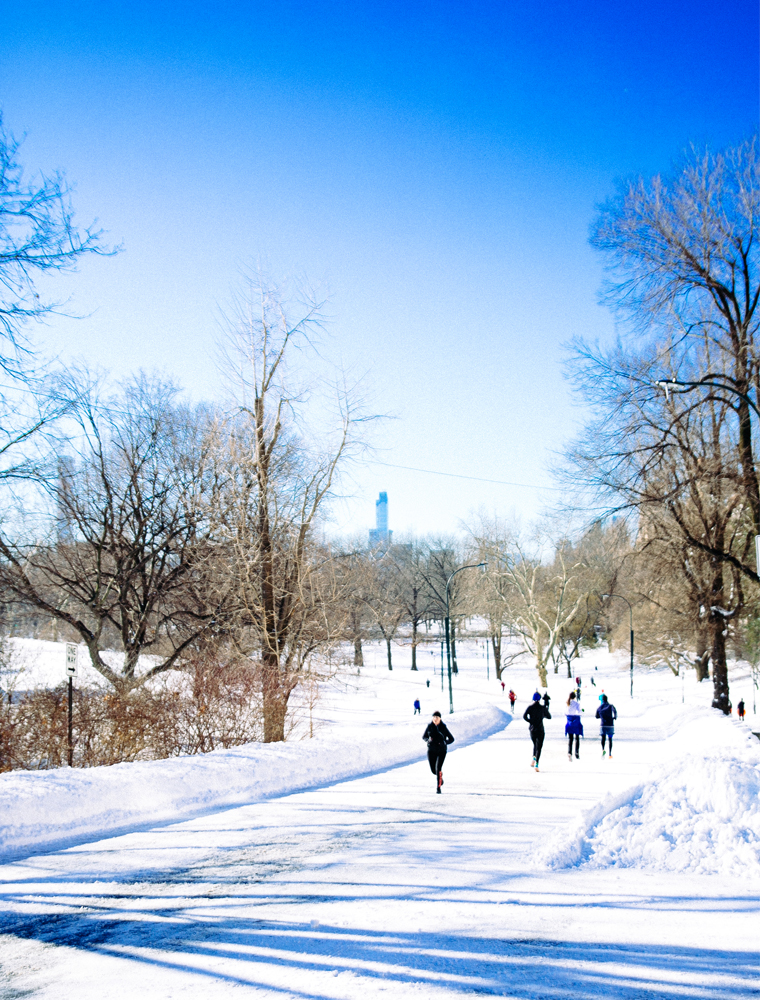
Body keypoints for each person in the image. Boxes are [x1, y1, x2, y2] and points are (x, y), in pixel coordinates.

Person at [422, 711, 455, 793]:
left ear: (440, 718)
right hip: (431, 750)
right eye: (434, 717)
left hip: (441, 751)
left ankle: (438, 787)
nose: (435, 719)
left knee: (438, 768)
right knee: (433, 770)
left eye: (437, 717)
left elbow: (451, 739)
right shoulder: (430, 726)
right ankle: (440, 778)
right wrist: (428, 740)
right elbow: (424, 736)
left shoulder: (443, 727)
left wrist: (445, 742)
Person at [523, 692, 551, 771]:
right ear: (539, 699)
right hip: (540, 730)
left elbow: (524, 716)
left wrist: (530, 721)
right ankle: (537, 763)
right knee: (539, 747)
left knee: (535, 744)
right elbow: (549, 716)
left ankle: (533, 758)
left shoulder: (530, 707)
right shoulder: (542, 708)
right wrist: (544, 712)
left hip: (532, 729)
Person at [595, 693, 617, 757]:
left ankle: (603, 749)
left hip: (603, 725)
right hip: (610, 725)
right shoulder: (610, 706)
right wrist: (615, 717)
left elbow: (596, 716)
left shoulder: (599, 707)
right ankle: (610, 753)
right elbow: (614, 711)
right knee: (610, 739)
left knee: (603, 738)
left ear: (602, 700)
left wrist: (601, 717)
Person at [565, 691, 583, 760]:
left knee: (570, 739)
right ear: (575, 697)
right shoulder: (577, 703)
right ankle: (577, 753)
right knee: (577, 738)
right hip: (576, 722)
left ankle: (569, 752)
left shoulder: (567, 703)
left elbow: (565, 712)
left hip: (569, 722)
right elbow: (579, 712)